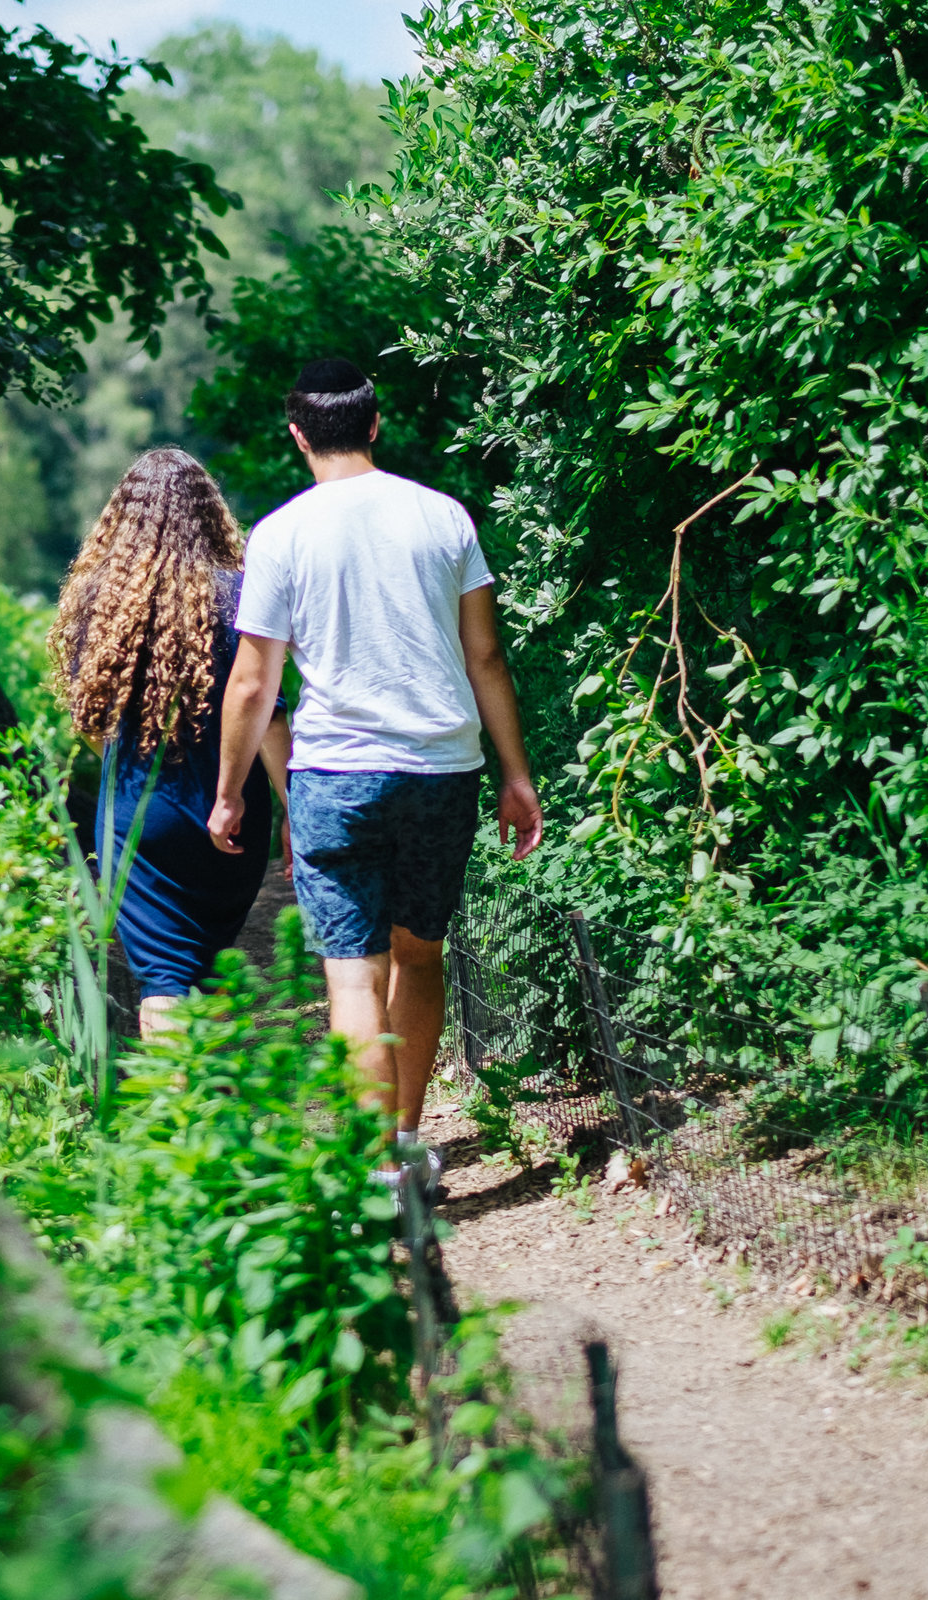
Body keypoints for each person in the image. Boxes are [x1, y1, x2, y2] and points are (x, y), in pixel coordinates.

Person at [206, 359, 543, 1185]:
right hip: (441, 769)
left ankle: (374, 1171)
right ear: (375, 422)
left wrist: (229, 792)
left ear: (298, 436)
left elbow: (254, 682)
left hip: (336, 776)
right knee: (420, 955)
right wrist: (517, 773)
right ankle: (406, 1141)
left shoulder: (281, 534)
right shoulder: (445, 518)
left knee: (351, 971)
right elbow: (487, 656)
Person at [51, 448, 290, 1035]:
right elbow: (267, 714)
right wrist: (293, 805)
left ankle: (181, 1119)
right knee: (205, 964)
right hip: (230, 808)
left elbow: (90, 722)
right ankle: (206, 1101)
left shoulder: (98, 601)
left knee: (164, 975)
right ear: (209, 514)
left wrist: (127, 774)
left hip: (137, 811)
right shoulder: (239, 594)